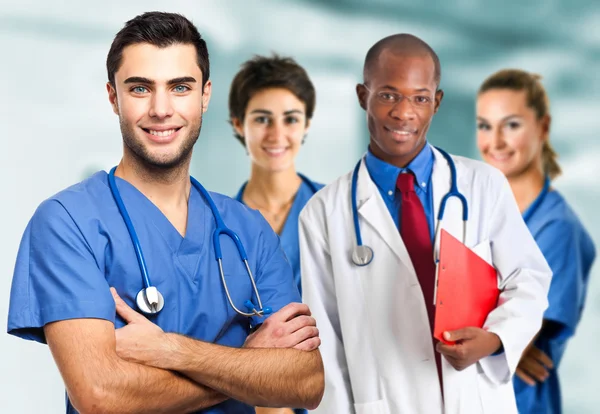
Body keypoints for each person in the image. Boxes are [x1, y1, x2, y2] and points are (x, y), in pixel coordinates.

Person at [7, 12, 324, 414]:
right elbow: (101, 397)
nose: (161, 109)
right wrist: (247, 361)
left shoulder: (248, 230)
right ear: (113, 97)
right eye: (140, 88)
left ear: (205, 96)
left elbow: (306, 383)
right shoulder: (67, 222)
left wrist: (172, 351)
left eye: (180, 87)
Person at [298, 33, 552, 413]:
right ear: (362, 96)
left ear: (437, 102)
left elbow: (528, 277)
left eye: (420, 97)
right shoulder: (323, 214)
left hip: (475, 397)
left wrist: (495, 338)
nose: (404, 112)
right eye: (388, 95)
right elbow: (325, 349)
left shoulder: (483, 186)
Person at [476, 69, 596, 414]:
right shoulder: (478, 213)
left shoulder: (558, 228)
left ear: (543, 127)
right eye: (485, 125)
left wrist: (498, 333)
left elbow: (517, 335)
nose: (495, 141)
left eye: (511, 125)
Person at [230, 54, 324, 300]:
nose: (276, 134)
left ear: (307, 125)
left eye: (291, 119)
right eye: (262, 119)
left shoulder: (334, 207)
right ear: (239, 124)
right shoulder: (218, 223)